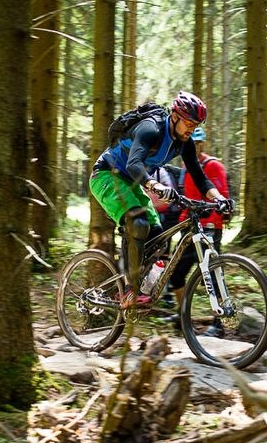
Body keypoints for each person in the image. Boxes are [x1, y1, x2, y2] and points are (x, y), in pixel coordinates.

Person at [90, 91, 231, 309]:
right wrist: (155, 185)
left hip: (131, 183)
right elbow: (134, 164)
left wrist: (220, 198)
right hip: (107, 175)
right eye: (188, 123)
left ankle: (143, 284)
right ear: (174, 115)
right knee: (137, 222)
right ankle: (130, 290)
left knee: (158, 235)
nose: (191, 129)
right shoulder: (151, 129)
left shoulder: (185, 142)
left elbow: (200, 178)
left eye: (196, 125)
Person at [164, 127, 231, 337]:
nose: (197, 146)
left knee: (212, 273)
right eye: (194, 142)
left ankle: (219, 323)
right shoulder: (186, 166)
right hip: (189, 228)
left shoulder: (214, 166)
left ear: (203, 144)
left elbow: (221, 196)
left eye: (199, 142)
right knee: (176, 273)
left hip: (209, 228)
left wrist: (213, 219)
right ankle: (183, 314)